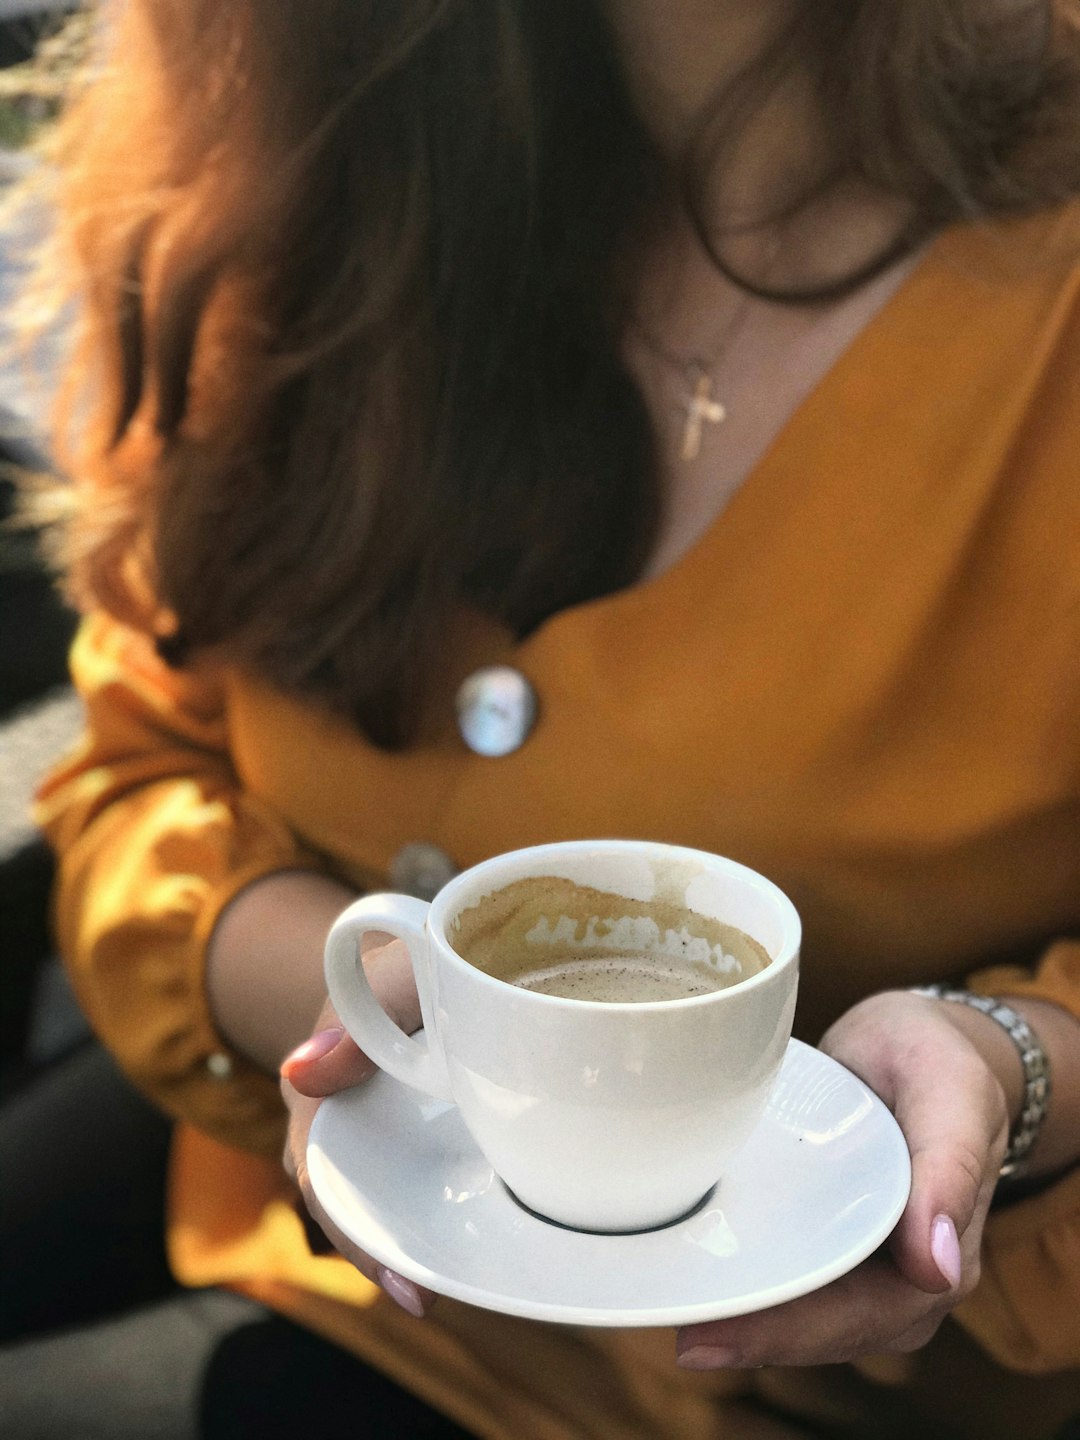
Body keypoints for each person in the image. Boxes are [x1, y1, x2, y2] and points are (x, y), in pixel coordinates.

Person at [2, 0, 1079, 1435]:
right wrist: (346, 1010)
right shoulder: (284, 151)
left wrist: (1016, 1065)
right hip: (302, 1225)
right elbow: (143, 765)